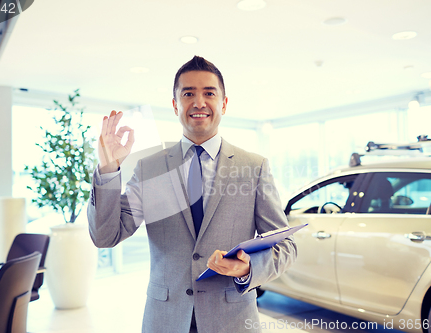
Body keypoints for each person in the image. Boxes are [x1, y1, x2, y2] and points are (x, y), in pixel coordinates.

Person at [87, 56, 297, 333]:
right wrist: (108, 170)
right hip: (166, 319)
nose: (199, 102)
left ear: (224, 103)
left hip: (232, 320)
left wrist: (247, 269)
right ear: (175, 105)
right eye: (188, 94)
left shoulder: (254, 167)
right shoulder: (150, 168)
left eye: (209, 93)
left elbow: (286, 246)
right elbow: (105, 236)